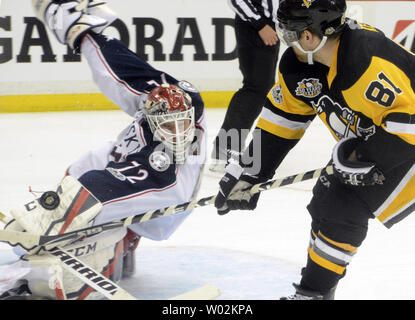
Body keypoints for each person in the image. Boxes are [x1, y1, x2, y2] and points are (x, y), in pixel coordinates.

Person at [0, 0, 206, 300]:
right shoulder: (166, 98)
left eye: (181, 125)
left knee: (94, 205)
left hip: (167, 197)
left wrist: (53, 214)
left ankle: (100, 252)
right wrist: (86, 34)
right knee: (84, 168)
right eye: (167, 125)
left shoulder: (167, 165)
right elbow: (124, 71)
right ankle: (118, 245)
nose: (177, 133)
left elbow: (117, 184)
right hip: (140, 173)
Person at [213, 0, 415, 300]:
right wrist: (250, 173)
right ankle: (315, 293)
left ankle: (312, 295)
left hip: (406, 143)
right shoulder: (298, 66)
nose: (284, 38)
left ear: (308, 36)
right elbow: (279, 124)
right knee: (328, 197)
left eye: (287, 32)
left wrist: (365, 158)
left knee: (343, 200)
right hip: (390, 140)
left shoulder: (364, 58)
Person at [209, 0, 281, 172]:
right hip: (256, 27)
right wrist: (260, 24)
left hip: (269, 25)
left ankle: (226, 148)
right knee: (256, 87)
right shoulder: (259, 22)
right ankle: (225, 150)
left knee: (262, 87)